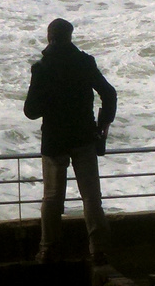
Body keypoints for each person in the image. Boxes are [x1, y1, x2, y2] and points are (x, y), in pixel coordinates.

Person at [23, 18, 116, 264]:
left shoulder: (42, 68)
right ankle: (99, 250)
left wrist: (50, 102)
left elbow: (31, 111)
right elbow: (109, 93)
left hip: (54, 140)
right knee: (91, 197)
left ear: (49, 37)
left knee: (52, 198)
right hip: (84, 136)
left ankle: (48, 249)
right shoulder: (85, 63)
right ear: (70, 36)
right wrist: (103, 125)